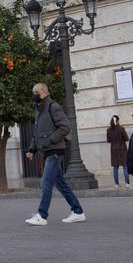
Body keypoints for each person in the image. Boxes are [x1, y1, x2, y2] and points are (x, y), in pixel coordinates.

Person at [24, 83, 86, 226]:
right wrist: (32, 149)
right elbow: (37, 133)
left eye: (36, 92)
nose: (34, 94)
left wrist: (50, 141)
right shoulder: (39, 109)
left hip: (55, 151)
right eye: (33, 92)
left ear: (45, 92)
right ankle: (78, 211)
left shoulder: (53, 107)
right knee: (61, 184)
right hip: (48, 151)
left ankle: (42, 215)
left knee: (45, 183)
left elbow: (65, 127)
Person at [107, 115, 130, 188]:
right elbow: (126, 138)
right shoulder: (121, 129)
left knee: (115, 168)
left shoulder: (108, 130)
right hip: (122, 149)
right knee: (125, 166)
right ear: (117, 121)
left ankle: (116, 184)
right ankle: (127, 183)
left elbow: (108, 140)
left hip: (113, 150)